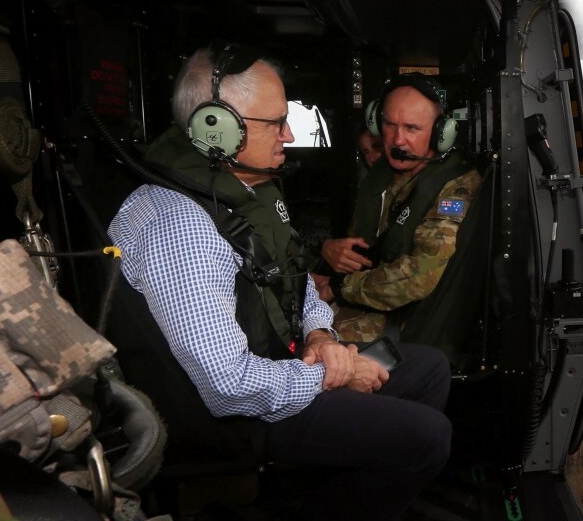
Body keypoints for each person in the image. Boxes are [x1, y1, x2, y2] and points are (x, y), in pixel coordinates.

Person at [107, 47, 450, 521]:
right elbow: (227, 386)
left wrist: (320, 336)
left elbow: (295, 276)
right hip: (235, 416)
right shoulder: (180, 225)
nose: (289, 135)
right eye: (276, 123)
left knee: (429, 367)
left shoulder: (246, 190)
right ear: (217, 129)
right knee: (429, 438)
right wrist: (336, 373)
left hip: (281, 359)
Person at [320, 74, 482, 343]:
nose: (397, 140)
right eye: (389, 124)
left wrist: (340, 287)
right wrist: (331, 252)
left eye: (412, 128)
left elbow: (421, 275)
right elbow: (361, 243)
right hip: (364, 297)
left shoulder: (456, 186)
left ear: (441, 133)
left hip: (411, 320)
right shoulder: (382, 174)